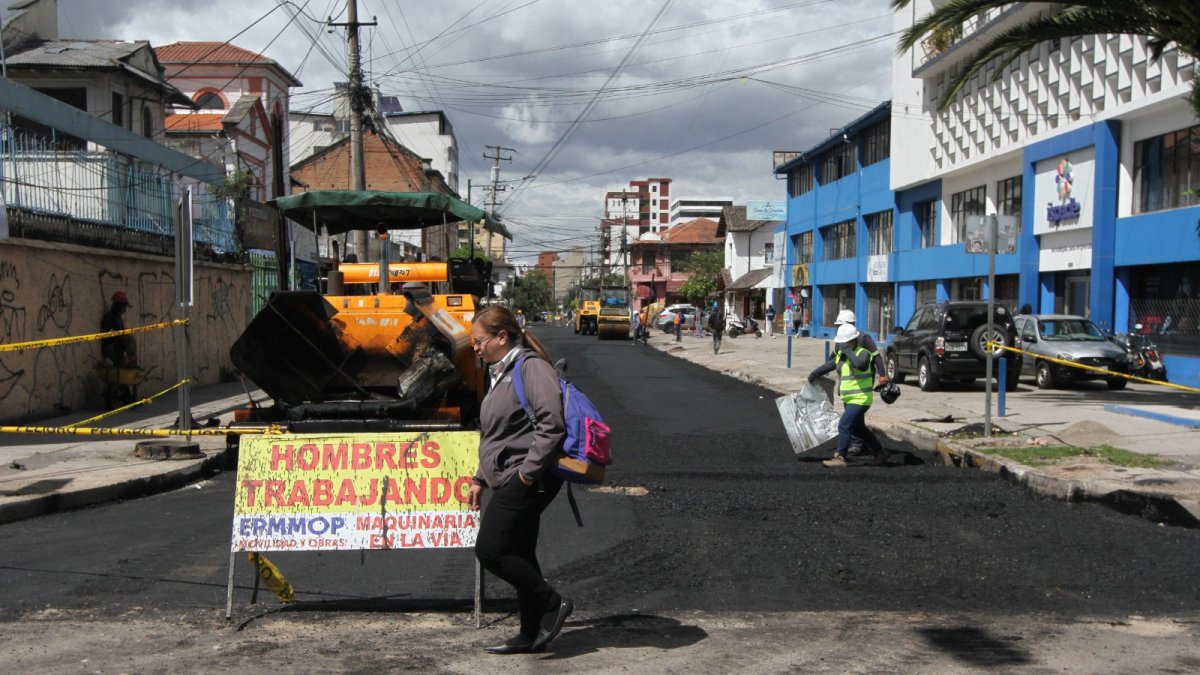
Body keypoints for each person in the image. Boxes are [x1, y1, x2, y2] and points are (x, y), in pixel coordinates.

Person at [468, 306, 574, 655]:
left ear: (502, 337)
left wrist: (528, 473)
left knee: (491, 549)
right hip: (509, 474)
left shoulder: (531, 368)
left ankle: (551, 602)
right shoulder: (501, 372)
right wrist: (480, 478)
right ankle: (530, 632)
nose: (476, 347)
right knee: (519, 553)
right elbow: (497, 434)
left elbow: (551, 424)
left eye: (480, 340)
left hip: (528, 477)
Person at [808, 323, 885, 468]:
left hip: (861, 398)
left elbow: (860, 365)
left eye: (843, 343)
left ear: (852, 340)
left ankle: (840, 457)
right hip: (849, 398)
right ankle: (880, 452)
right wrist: (814, 374)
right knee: (857, 428)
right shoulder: (842, 355)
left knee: (844, 425)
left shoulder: (863, 353)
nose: (841, 346)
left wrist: (847, 351)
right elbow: (831, 365)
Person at [100, 291, 137, 366]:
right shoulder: (109, 317)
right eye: (123, 307)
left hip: (116, 347)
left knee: (130, 339)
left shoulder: (118, 318)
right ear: (119, 306)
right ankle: (127, 362)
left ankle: (129, 361)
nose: (124, 310)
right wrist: (122, 337)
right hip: (110, 348)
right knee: (130, 339)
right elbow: (108, 335)